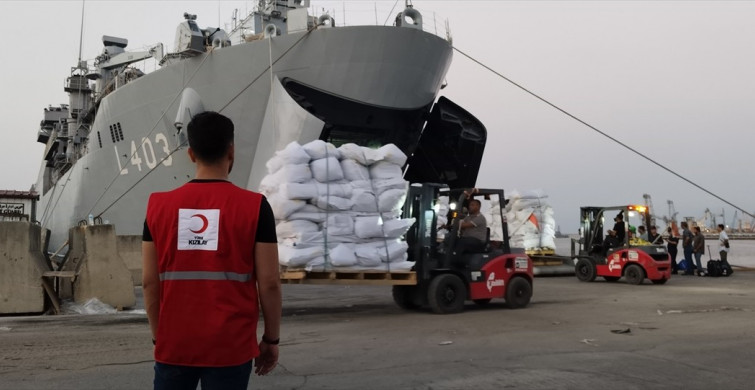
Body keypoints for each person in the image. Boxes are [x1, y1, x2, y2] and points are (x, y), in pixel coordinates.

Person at [142, 111, 282, 390]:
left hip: (175, 343)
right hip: (231, 346)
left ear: (191, 154)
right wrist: (271, 339)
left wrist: (160, 337)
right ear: (231, 150)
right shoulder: (255, 207)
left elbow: (149, 282)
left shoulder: (158, 206)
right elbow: (269, 283)